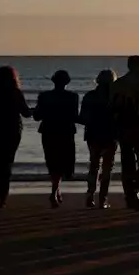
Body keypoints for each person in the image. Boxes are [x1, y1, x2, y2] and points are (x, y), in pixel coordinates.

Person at [0, 66, 31, 209]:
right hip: (12, 131)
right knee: (7, 163)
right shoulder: (16, 93)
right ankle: (3, 198)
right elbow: (26, 112)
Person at [34, 70, 79, 208]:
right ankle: (55, 191)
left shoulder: (44, 96)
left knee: (52, 161)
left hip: (49, 131)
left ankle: (55, 190)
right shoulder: (73, 97)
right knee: (63, 162)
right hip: (65, 131)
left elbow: (37, 116)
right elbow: (74, 116)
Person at [111, 55, 139, 210]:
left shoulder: (119, 83)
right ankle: (138, 190)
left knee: (127, 161)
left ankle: (129, 193)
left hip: (124, 126)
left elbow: (112, 106)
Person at [79, 70, 118, 208]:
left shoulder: (90, 96)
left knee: (94, 165)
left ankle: (90, 195)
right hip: (110, 135)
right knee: (107, 167)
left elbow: (82, 117)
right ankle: (103, 198)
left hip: (93, 134)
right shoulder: (115, 97)